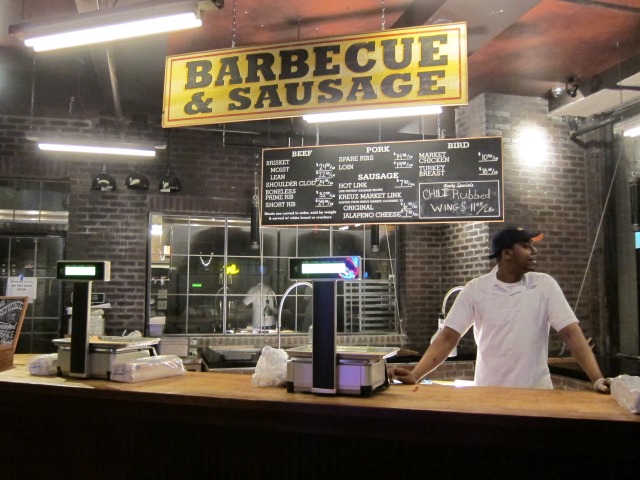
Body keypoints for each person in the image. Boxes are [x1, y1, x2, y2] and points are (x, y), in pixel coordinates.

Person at [388, 226, 612, 393]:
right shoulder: (475, 289)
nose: (534, 251)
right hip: (489, 392)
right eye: (526, 246)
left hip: (537, 393)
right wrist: (415, 374)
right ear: (507, 254)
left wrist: (597, 379)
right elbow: (448, 337)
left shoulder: (544, 284)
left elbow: (571, 334)